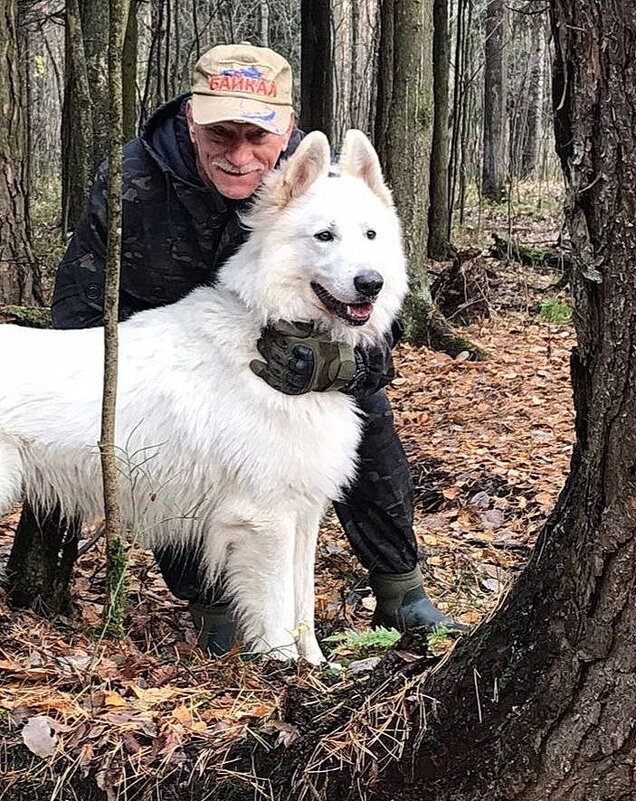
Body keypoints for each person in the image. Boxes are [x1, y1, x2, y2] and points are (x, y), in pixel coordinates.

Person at [50, 43, 464, 653]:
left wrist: (349, 361)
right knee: (176, 451)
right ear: (192, 118)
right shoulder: (134, 179)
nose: (239, 155)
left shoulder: (322, 185)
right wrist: (87, 389)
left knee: (367, 417)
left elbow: (380, 308)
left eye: (257, 136)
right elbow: (83, 303)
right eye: (221, 133)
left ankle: (400, 588)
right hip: (173, 354)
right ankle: (217, 608)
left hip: (284, 337)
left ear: (287, 130)